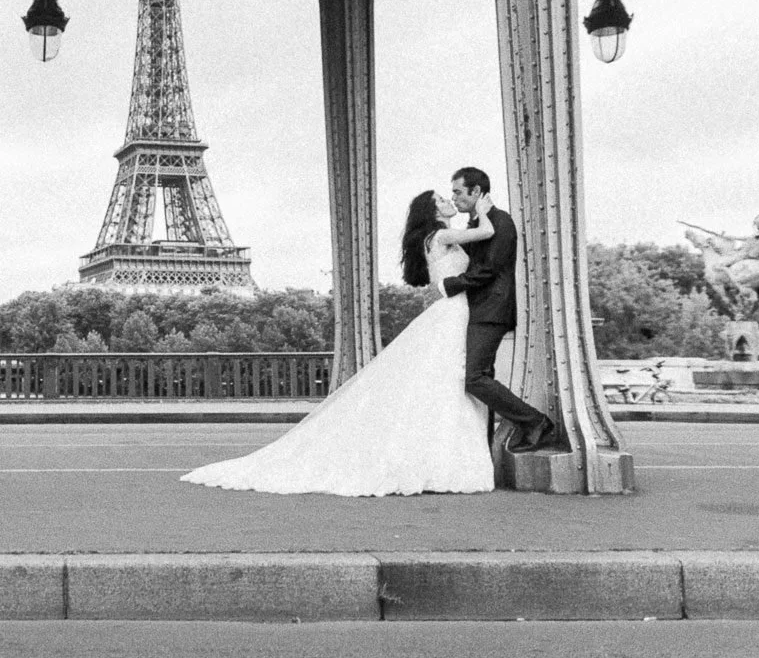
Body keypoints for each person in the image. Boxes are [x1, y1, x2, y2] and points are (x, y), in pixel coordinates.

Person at [179, 188, 498, 496]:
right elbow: (486, 232)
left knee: (445, 382)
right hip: (453, 313)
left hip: (451, 313)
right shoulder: (442, 236)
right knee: (448, 383)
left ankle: (433, 459)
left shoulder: (435, 239)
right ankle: (444, 459)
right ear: (430, 212)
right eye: (441, 199)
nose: (448, 200)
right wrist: (482, 211)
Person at [446, 166, 561, 454]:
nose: (454, 197)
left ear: (476, 192)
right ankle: (484, 444)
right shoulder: (477, 226)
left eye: (459, 191)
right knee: (479, 376)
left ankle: (536, 422)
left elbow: (488, 269)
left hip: (492, 310)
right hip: (476, 311)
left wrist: (451, 285)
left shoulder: (501, 221)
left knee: (474, 378)